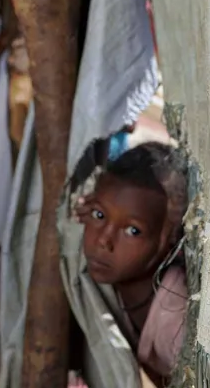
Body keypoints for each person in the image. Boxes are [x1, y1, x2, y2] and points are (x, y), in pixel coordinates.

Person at [77, 142, 188, 386]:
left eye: (132, 230)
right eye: (99, 215)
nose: (104, 241)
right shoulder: (120, 278)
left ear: (167, 242)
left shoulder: (176, 323)